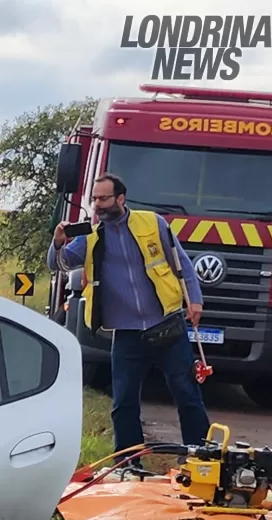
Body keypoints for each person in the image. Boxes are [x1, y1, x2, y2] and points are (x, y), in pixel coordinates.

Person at [48, 172, 210, 458]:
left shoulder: (153, 223)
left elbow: (181, 263)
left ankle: (199, 456)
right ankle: (128, 461)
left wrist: (194, 301)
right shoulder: (90, 236)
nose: (97, 204)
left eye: (104, 198)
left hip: (166, 324)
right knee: (123, 402)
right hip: (126, 334)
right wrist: (58, 242)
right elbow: (60, 264)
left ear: (120, 198)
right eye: (95, 199)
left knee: (186, 392)